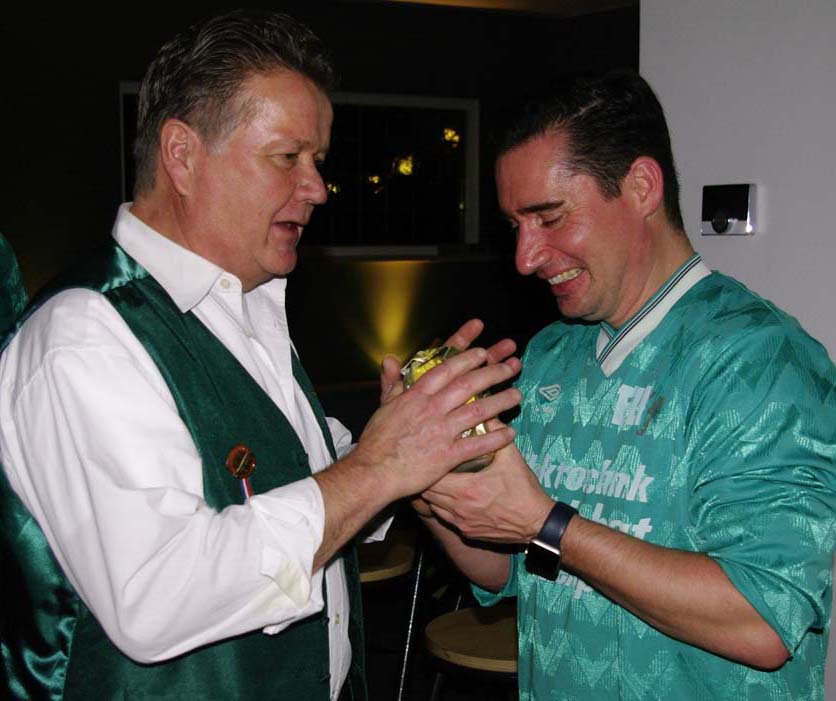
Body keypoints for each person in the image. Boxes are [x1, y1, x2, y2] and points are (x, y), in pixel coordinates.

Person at [0, 10, 522, 700]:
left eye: (318, 161)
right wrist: (379, 466)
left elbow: (281, 480)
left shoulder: (244, 308)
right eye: (287, 157)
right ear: (183, 155)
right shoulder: (83, 335)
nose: (318, 188)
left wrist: (409, 438)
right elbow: (157, 595)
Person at [413, 70, 836, 699]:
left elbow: (762, 621)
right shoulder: (553, 353)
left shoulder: (761, 361)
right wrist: (430, 481)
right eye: (516, 226)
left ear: (641, 187)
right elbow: (508, 570)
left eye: (549, 217)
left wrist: (548, 523)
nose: (525, 258)